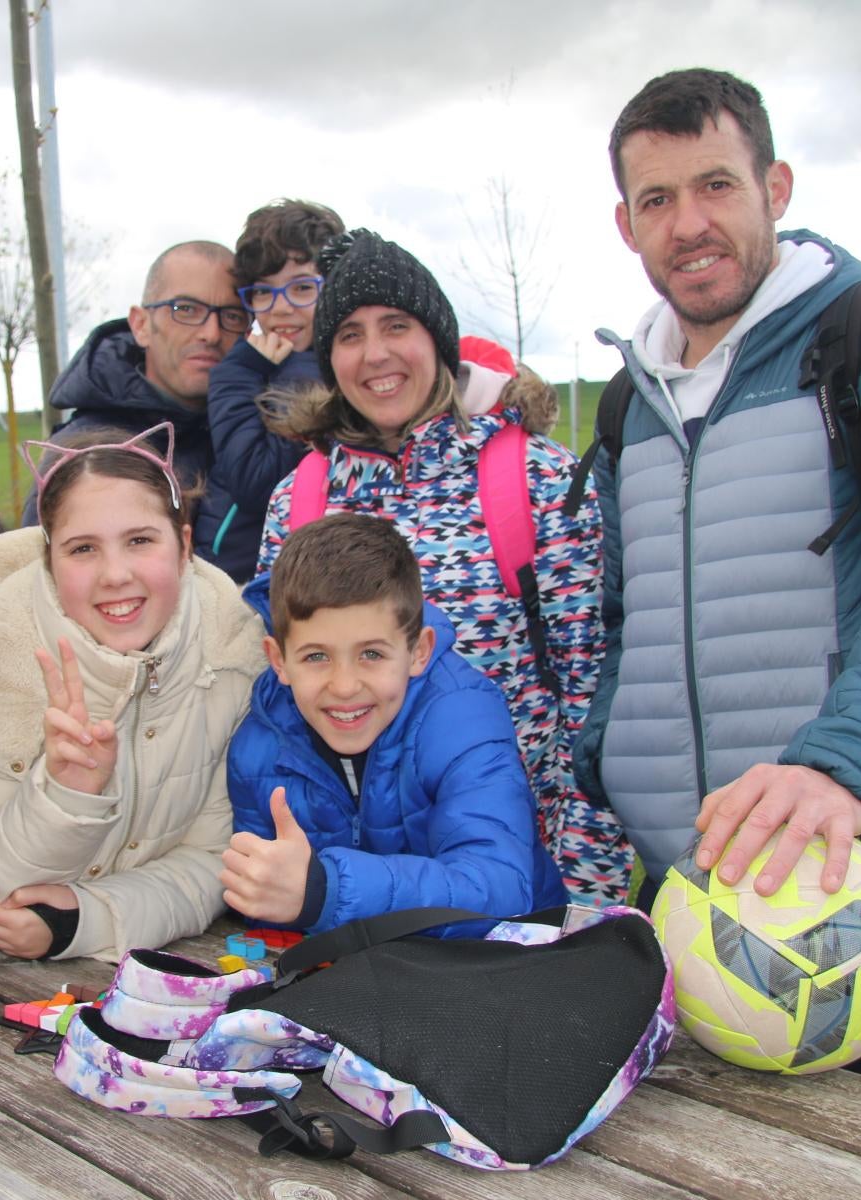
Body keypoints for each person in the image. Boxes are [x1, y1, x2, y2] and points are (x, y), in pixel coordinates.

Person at [580, 68, 861, 1106]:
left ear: (775, 186)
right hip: (685, 911)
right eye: (657, 200)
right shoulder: (624, 402)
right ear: (625, 223)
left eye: (717, 185)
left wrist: (843, 765)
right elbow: (621, 618)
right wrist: (614, 756)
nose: (689, 224)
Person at [257, 229, 628, 908]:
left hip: (515, 876)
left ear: (439, 340)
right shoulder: (298, 501)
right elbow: (283, 704)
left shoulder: (535, 481)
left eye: (397, 326)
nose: (376, 355)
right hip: (349, 892)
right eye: (350, 334)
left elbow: (591, 693)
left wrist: (587, 895)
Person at [0, 423, 266, 962]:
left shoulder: (230, 660)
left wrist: (83, 919)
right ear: (49, 559)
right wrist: (66, 794)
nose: (115, 574)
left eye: (139, 540)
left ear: (182, 545)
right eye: (82, 548)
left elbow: (211, 859)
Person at [224, 513, 566, 934]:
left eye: (371, 654)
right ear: (279, 660)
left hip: (510, 964)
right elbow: (262, 900)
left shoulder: (463, 719)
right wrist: (275, 890)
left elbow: (499, 889)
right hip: (364, 976)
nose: (345, 686)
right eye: (316, 656)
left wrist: (325, 890)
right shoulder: (258, 749)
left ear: (419, 650)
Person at [33, 241, 261, 580]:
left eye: (231, 316)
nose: (211, 333)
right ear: (140, 324)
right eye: (185, 309)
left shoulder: (264, 438)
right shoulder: (82, 450)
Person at [205, 200, 345, 576]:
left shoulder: (342, 369)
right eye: (263, 293)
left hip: (302, 575)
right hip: (235, 574)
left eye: (302, 287)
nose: (280, 309)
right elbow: (252, 478)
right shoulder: (249, 369)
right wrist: (277, 370)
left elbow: (259, 481)